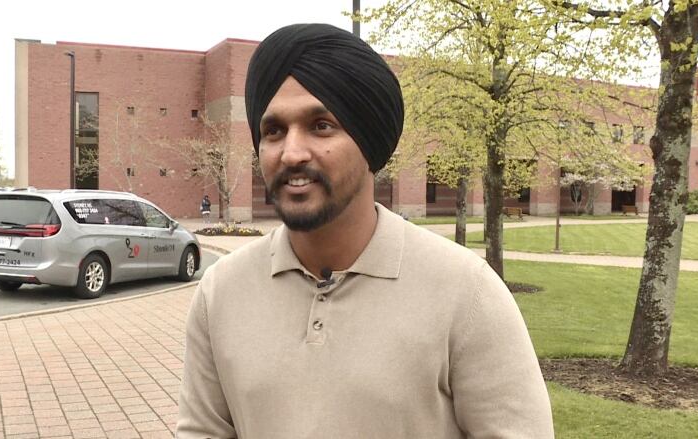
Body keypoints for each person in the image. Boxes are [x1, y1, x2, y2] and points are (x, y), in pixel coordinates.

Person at [177, 23, 553, 438]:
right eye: (274, 131)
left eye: (321, 125)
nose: (292, 152)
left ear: (369, 142)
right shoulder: (221, 292)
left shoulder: (467, 292)